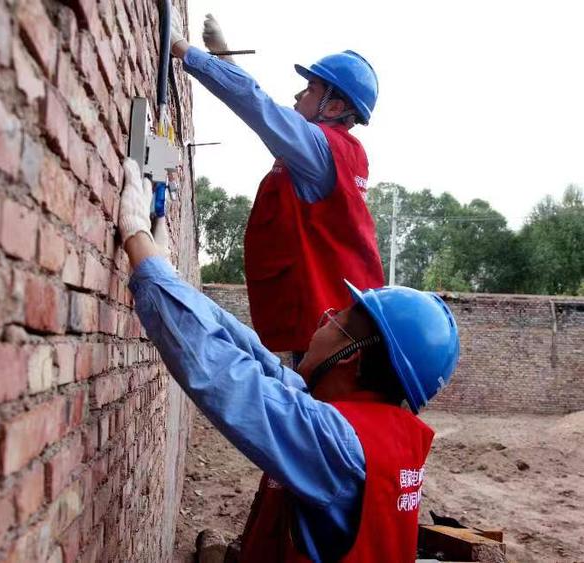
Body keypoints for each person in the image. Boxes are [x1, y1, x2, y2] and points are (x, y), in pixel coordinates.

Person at [118, 158, 460, 562]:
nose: (325, 318)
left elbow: (223, 373)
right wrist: (166, 276)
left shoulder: (339, 446)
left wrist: (136, 235)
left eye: (338, 319)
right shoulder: (370, 432)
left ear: (352, 356)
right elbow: (248, 353)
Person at [169, 13, 385, 360]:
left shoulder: (320, 149)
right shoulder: (333, 150)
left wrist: (183, 49)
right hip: (329, 325)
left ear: (335, 106)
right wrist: (226, 57)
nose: (298, 93)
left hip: (328, 334)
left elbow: (260, 108)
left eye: (311, 88)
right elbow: (267, 112)